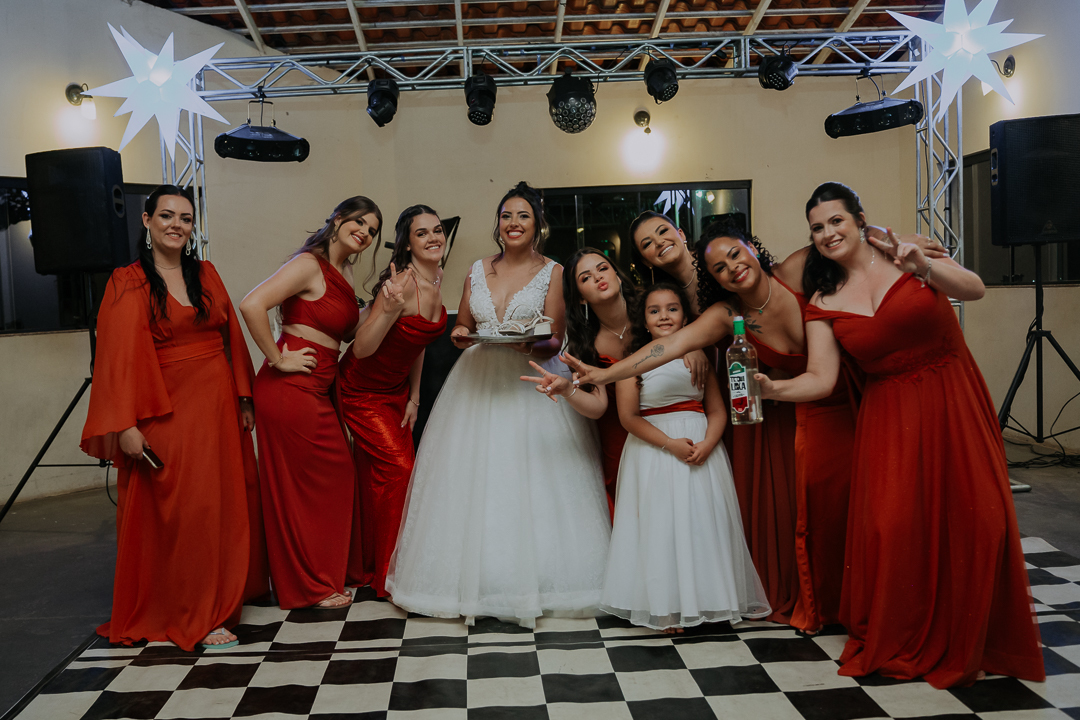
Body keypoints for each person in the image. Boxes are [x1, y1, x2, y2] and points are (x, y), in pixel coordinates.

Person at [758, 182, 1044, 688]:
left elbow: (974, 289)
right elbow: (821, 378)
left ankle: (974, 635)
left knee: (980, 518)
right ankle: (909, 630)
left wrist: (924, 267)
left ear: (859, 219)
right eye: (817, 228)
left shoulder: (906, 254)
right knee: (893, 526)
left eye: (836, 221)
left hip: (953, 399)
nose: (827, 233)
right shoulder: (822, 300)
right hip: (888, 418)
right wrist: (772, 389)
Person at [385, 182, 610, 627]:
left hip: (531, 379)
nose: (513, 223)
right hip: (477, 380)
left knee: (533, 479)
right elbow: (464, 324)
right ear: (498, 223)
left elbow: (555, 338)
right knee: (472, 479)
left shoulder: (554, 271)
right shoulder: (476, 268)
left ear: (537, 224)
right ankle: (474, 583)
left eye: (523, 216)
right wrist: (461, 335)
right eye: (506, 216)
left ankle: (541, 583)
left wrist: (527, 344)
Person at [81, 185, 266, 650]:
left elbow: (231, 336)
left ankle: (219, 601)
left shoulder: (206, 273)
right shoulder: (127, 281)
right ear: (147, 221)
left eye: (185, 218)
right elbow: (115, 359)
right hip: (166, 409)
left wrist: (244, 397)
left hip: (218, 405)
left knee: (221, 507)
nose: (176, 225)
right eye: (166, 215)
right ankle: (191, 610)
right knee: (186, 512)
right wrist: (125, 424)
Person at [525, 283, 770, 632]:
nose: (664, 316)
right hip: (657, 450)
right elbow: (628, 418)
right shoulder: (633, 362)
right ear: (644, 319)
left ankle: (709, 600)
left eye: (673, 308)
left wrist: (708, 443)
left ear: (685, 316)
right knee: (662, 527)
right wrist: (670, 444)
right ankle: (664, 606)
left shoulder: (696, 354)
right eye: (655, 311)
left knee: (702, 524)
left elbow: (717, 410)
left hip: (702, 447)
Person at [240, 196, 382, 610]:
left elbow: (346, 332)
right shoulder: (309, 264)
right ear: (338, 219)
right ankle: (310, 586)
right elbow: (252, 304)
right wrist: (278, 358)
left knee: (334, 478)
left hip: (318, 388)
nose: (365, 233)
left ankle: (323, 571)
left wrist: (384, 305)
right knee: (299, 490)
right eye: (359, 222)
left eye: (372, 230)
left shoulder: (345, 272)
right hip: (290, 390)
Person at [339, 205, 448, 598]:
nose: (434, 237)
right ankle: (389, 574)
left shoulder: (436, 279)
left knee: (382, 477)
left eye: (437, 230)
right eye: (422, 233)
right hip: (361, 391)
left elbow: (417, 343)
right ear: (407, 244)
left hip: (396, 392)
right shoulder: (400, 285)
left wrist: (414, 396)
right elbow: (362, 348)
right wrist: (386, 309)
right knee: (401, 470)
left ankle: (373, 564)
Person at [562, 247, 710, 520]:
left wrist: (692, 345)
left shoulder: (654, 307)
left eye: (603, 268)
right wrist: (566, 390)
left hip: (675, 414)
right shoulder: (584, 343)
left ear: (618, 275)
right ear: (580, 296)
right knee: (638, 510)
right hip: (621, 428)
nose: (598, 277)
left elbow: (684, 328)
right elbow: (597, 407)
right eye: (585, 277)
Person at [629, 211, 701, 312]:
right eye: (648, 243)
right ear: (645, 261)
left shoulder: (712, 263)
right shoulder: (661, 297)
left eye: (663, 231)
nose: (659, 242)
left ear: (681, 234)